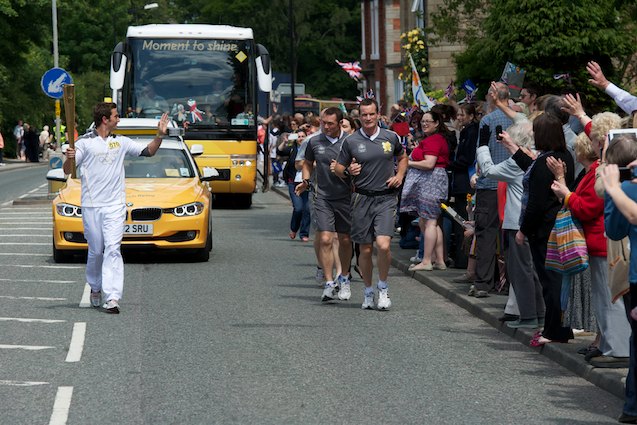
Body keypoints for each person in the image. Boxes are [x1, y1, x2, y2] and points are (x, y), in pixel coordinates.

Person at [62, 102, 169, 314]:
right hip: (92, 206)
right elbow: (68, 170)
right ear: (105, 119)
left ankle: (112, 297)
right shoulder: (84, 143)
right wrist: (69, 158)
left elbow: (148, 152)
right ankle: (94, 286)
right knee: (96, 251)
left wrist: (160, 135)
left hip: (114, 206)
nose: (119, 119)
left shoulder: (121, 142)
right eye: (116, 116)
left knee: (113, 249)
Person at [504, 112, 575, 345]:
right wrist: (514, 149)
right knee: (557, 280)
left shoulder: (547, 161)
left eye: (535, 130)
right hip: (559, 225)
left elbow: (535, 201)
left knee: (550, 281)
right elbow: (533, 170)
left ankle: (554, 330)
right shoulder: (563, 156)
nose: (533, 134)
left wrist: (523, 230)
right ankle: (559, 327)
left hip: (545, 229)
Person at [334, 98, 408, 310]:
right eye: (363, 114)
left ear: (378, 114)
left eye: (371, 114)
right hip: (361, 199)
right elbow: (338, 168)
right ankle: (368, 291)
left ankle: (383, 288)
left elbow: (403, 158)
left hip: (385, 197)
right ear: (359, 116)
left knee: (383, 245)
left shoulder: (390, 136)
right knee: (365, 250)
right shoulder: (350, 141)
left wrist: (400, 175)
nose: (367, 118)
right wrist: (348, 171)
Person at [478, 121, 546, 329]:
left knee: (519, 271)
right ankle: (538, 313)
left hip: (517, 221)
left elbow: (489, 170)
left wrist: (482, 146)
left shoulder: (515, 162)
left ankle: (528, 316)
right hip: (527, 221)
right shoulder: (534, 155)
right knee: (530, 269)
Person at [297, 107, 354, 302]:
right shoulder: (314, 141)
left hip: (346, 197)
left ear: (340, 123)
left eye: (330, 123)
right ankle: (329, 283)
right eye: (323, 123)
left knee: (345, 240)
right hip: (322, 196)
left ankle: (344, 278)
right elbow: (306, 162)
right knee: (326, 239)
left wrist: (346, 169)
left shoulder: (350, 141)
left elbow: (360, 165)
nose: (326, 127)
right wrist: (305, 181)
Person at [471, 82, 514, 298]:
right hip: (513, 185)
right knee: (510, 235)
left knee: (486, 234)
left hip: (489, 183)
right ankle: (510, 284)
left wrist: (477, 174)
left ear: (493, 97)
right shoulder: (519, 120)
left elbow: (482, 149)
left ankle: (483, 283)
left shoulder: (487, 120)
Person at [403, 110, 450, 271]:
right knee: (431, 222)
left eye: (428, 121)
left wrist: (408, 163)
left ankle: (427, 261)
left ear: (437, 123)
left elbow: (429, 164)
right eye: (423, 121)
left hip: (432, 181)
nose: (424, 124)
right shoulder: (433, 139)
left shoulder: (434, 140)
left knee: (429, 221)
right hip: (433, 181)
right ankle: (439, 260)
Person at [278, 130, 311, 241]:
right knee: (298, 208)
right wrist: (285, 142)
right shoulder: (292, 149)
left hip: (306, 182)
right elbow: (280, 152)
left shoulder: (310, 149)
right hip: (293, 182)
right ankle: (293, 228)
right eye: (299, 136)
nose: (301, 138)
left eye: (303, 136)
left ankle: (304, 233)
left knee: (306, 208)